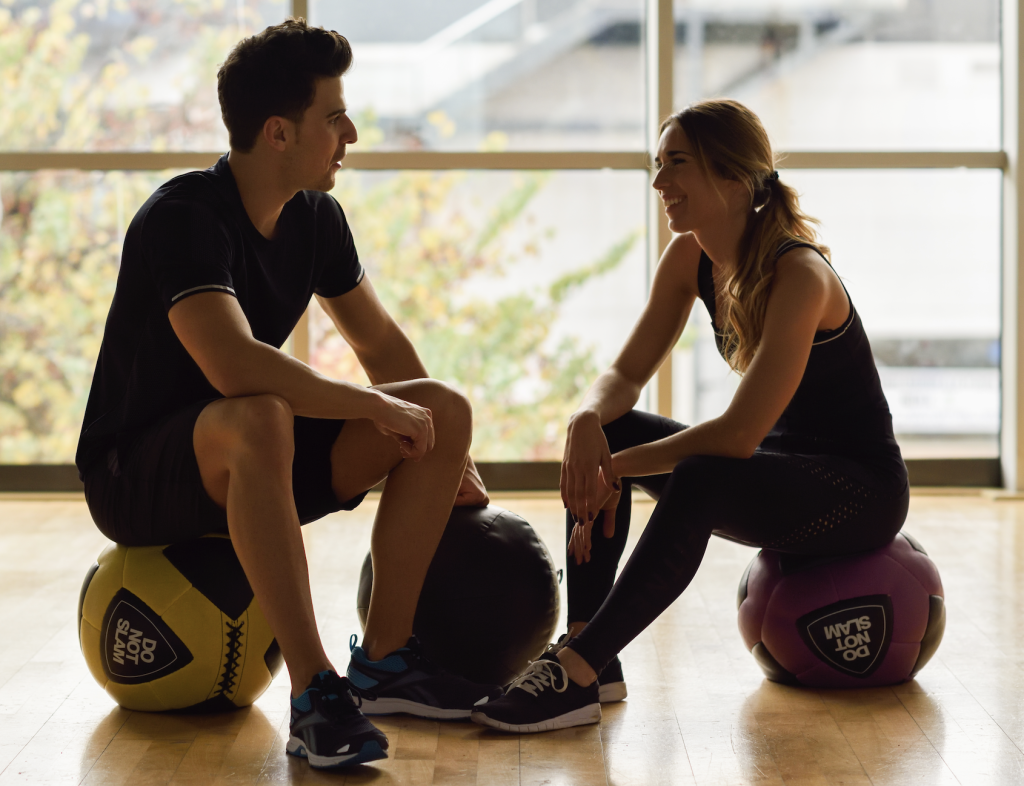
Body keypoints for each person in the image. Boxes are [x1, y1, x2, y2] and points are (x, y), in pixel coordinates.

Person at [76, 19, 503, 769]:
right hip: (137, 473)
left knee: (444, 409)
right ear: (278, 132)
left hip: (248, 450)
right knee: (260, 415)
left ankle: (383, 663)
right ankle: (315, 695)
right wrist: (375, 408)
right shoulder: (184, 218)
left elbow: (382, 348)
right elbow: (235, 365)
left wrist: (444, 446)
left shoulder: (316, 219)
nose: (352, 133)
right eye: (334, 117)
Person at [471, 99, 909, 733]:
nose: (658, 183)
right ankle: (590, 645)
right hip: (778, 471)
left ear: (731, 177)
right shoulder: (690, 258)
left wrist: (613, 470)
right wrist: (588, 423)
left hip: (857, 491)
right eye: (657, 164)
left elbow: (737, 434)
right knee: (612, 432)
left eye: (676, 163)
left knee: (696, 471)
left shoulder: (801, 275)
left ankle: (578, 670)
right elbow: (623, 375)